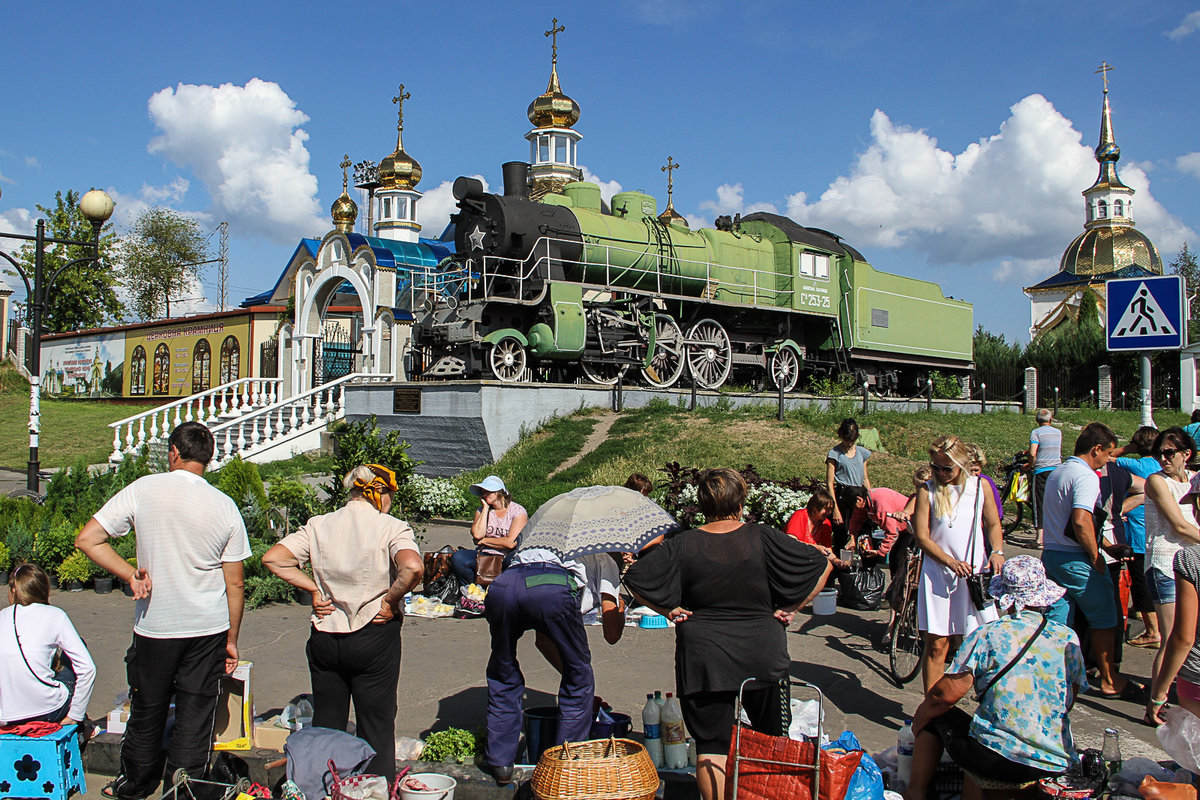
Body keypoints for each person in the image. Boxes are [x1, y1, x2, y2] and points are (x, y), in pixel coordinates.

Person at [625, 468, 831, 800]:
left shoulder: (684, 543)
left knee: (712, 745)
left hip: (705, 657)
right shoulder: (762, 537)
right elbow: (822, 565)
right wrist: (795, 606)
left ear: (703, 503)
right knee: (769, 743)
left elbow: (634, 577)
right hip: (761, 652)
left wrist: (667, 610)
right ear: (741, 500)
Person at [75, 421, 251, 800]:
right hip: (206, 627)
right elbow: (235, 584)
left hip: (155, 626)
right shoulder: (224, 506)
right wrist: (232, 640)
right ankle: (183, 788)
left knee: (147, 708)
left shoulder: (144, 489)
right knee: (196, 711)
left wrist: (130, 574)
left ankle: (135, 784)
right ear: (210, 457)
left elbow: (88, 538)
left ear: (173, 452)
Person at [262, 464, 423, 783]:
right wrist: (390, 601)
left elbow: (274, 558)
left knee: (327, 726)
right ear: (377, 492)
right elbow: (413, 567)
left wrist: (312, 588)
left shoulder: (319, 525)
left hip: (325, 635)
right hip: (373, 635)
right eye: (389, 493)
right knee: (376, 725)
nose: (390, 500)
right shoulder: (390, 527)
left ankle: (323, 787)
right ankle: (374, 788)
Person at [902, 556, 1088, 800]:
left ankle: (915, 793)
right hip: (1054, 757)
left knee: (936, 717)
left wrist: (919, 720)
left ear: (1006, 599)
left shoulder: (989, 634)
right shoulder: (1068, 637)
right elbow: (1068, 700)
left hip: (997, 757)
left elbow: (944, 696)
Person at [481, 542, 624, 784]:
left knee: (503, 670)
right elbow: (611, 633)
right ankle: (566, 763)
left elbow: (544, 641)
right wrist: (620, 608)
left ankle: (500, 762)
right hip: (551, 590)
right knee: (580, 678)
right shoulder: (604, 558)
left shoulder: (540, 538)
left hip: (503, 588)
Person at [1040, 421, 1139, 699]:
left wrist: (1107, 544)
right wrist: (1097, 557)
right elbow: (1082, 521)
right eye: (1107, 454)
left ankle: (1055, 674)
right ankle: (1109, 678)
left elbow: (1069, 524)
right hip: (1077, 559)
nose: (1108, 460)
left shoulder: (1060, 471)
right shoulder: (1086, 476)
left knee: (1060, 619)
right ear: (1096, 449)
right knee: (1105, 618)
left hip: (1053, 554)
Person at [914, 435, 1004, 692]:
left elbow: (993, 523)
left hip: (973, 576)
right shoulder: (927, 490)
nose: (940, 473)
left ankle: (980, 698)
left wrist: (996, 551)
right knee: (937, 644)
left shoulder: (979, 487)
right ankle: (932, 706)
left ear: (962, 464)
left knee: (980, 641)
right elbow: (922, 536)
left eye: (947, 468)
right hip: (938, 574)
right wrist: (950, 562)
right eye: (935, 467)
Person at [0, 564, 97, 729]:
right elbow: (87, 668)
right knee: (77, 645)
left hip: (9, 716)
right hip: (49, 711)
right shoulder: (55, 615)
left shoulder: (2, 617)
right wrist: (75, 714)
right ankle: (81, 726)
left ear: (14, 591)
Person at [1142, 427, 1200, 698]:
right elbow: (1179, 525)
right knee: (1172, 638)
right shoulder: (1156, 481)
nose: (1162, 459)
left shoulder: (1194, 480)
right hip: (1164, 564)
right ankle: (1156, 699)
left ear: (1186, 454)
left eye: (1169, 453)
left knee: (1188, 636)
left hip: (1190, 564)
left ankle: (1173, 688)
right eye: (1158, 453)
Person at [1116, 426, 1165, 648]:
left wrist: (1128, 448)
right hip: (1157, 533)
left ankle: (1152, 631)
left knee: (1140, 584)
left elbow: (1108, 456)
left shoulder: (1134, 465)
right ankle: (1152, 620)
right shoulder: (1161, 466)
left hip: (1136, 534)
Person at [1147, 541, 1200, 726]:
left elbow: (1184, 638)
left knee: (1195, 751)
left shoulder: (1191, 558)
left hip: (1196, 677)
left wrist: (1159, 695)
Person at [450, 476, 527, 587]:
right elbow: (477, 534)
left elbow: (510, 543)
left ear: (499, 492)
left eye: (488, 492)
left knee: (512, 561)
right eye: (482, 492)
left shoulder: (518, 511)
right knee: (458, 557)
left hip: (507, 555)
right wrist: (485, 508)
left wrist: (483, 540)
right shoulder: (481, 510)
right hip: (484, 553)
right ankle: (471, 590)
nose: (483, 495)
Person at [826, 418, 872, 549]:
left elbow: (865, 478)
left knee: (862, 532)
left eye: (852, 441)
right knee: (842, 532)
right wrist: (835, 510)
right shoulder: (835, 453)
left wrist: (871, 499)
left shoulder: (862, 453)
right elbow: (830, 483)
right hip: (844, 496)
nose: (849, 444)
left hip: (859, 495)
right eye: (847, 440)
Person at [1028, 408, 1063, 548]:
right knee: (1055, 502)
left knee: (1039, 503)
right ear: (1051, 419)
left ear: (1037, 420)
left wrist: (1030, 465)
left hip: (1041, 470)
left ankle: (1039, 539)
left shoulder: (1036, 433)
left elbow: (1032, 453)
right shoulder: (1058, 432)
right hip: (1057, 471)